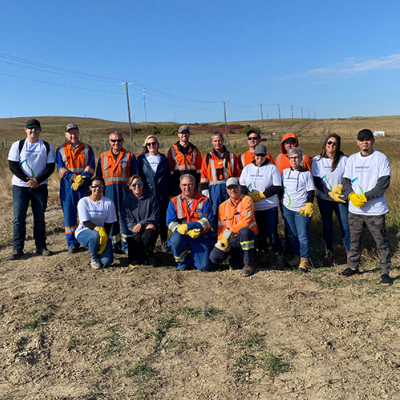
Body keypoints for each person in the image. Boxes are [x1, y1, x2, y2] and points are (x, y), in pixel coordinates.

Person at [341, 129, 393, 285]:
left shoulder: (380, 158)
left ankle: (385, 272)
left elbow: (383, 184)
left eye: (368, 139)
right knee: (355, 240)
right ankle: (354, 267)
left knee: (381, 242)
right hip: (355, 210)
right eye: (362, 140)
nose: (365, 142)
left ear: (373, 141)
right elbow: (345, 181)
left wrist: (365, 197)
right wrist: (350, 195)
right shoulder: (352, 160)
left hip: (375, 210)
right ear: (357, 142)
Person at [8, 118, 55, 259]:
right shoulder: (18, 145)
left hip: (40, 187)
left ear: (40, 130)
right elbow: (13, 165)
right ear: (25, 129)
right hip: (20, 187)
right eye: (30, 127)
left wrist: (37, 181)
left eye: (36, 128)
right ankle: (17, 249)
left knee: (39, 218)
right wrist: (27, 181)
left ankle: (41, 247)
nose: (33, 130)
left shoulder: (46, 146)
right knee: (19, 218)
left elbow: (50, 166)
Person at [239, 144, 284, 269]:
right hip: (254, 208)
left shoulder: (272, 168)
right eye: (258, 155)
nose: (260, 157)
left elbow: (277, 187)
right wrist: (248, 194)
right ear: (254, 155)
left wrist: (262, 195)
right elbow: (242, 185)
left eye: (262, 155)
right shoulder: (247, 168)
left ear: (266, 155)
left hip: (269, 206)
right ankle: (263, 255)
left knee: (272, 232)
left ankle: (278, 256)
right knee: (260, 233)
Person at [56, 123, 95, 253]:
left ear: (79, 133)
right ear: (66, 135)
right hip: (68, 186)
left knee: (87, 213)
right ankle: (72, 243)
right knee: (69, 213)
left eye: (75, 132)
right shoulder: (60, 149)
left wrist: (82, 177)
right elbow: (60, 167)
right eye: (70, 133)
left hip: (84, 185)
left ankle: (89, 240)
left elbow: (91, 165)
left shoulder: (87, 148)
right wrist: (72, 177)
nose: (73, 135)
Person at [96, 131, 137, 254]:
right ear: (109, 142)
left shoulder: (129, 155)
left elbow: (135, 176)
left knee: (126, 217)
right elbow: (98, 177)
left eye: (119, 140)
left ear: (123, 141)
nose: (116, 143)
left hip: (125, 192)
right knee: (111, 218)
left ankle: (127, 244)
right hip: (108, 192)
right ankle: (115, 244)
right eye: (113, 141)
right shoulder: (103, 156)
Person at [312, 134, 350, 266]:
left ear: (338, 145)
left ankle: (350, 254)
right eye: (329, 142)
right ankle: (329, 254)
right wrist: (328, 192)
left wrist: (341, 186)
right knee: (327, 226)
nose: (331, 145)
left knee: (345, 226)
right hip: (324, 199)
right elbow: (316, 180)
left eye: (334, 143)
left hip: (341, 199)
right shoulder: (318, 160)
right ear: (325, 144)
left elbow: (348, 177)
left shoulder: (344, 160)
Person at [209, 178, 258, 277]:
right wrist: (222, 240)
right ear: (226, 190)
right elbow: (221, 227)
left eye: (235, 187)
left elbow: (245, 222)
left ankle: (249, 263)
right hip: (231, 239)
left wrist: (229, 232)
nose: (233, 190)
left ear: (239, 187)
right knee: (214, 257)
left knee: (244, 232)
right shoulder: (222, 206)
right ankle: (235, 259)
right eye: (230, 188)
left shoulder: (247, 200)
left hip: (247, 236)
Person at [167, 174, 214, 271]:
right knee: (175, 241)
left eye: (190, 184)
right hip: (182, 234)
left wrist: (189, 226)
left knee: (204, 267)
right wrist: (182, 230)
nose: (187, 187)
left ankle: (197, 257)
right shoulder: (174, 201)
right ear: (180, 186)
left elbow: (207, 221)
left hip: (200, 236)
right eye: (184, 185)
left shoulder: (205, 200)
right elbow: (170, 222)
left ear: (195, 185)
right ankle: (184, 262)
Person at [199, 132, 241, 233]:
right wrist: (205, 191)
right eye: (215, 141)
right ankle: (215, 236)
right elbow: (203, 175)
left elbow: (238, 175)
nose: (218, 143)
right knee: (214, 213)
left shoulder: (231, 156)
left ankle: (231, 234)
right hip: (214, 190)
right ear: (212, 142)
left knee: (230, 212)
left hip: (229, 189)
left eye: (219, 140)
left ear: (223, 141)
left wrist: (238, 189)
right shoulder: (207, 157)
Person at [281, 147, 315, 272]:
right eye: (291, 158)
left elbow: (310, 190)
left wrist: (309, 204)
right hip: (288, 209)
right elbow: (282, 189)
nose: (294, 160)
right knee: (292, 235)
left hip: (301, 210)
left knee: (303, 235)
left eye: (296, 157)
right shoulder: (285, 172)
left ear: (301, 159)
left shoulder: (306, 174)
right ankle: (296, 257)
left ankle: (304, 260)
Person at [137, 135, 172, 252]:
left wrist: (169, 192)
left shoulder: (163, 159)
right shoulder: (141, 159)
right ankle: (148, 244)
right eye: (149, 144)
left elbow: (168, 178)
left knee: (162, 219)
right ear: (146, 146)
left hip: (162, 193)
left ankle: (163, 242)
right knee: (148, 218)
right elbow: (139, 177)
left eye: (154, 143)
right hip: (147, 193)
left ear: (158, 144)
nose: (151, 146)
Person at [75, 177, 117, 270]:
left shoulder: (109, 203)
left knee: (107, 262)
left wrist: (105, 237)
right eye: (95, 186)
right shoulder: (83, 202)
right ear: (90, 187)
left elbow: (109, 223)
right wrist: (99, 229)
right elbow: (85, 222)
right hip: (85, 231)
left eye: (100, 186)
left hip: (103, 233)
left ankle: (96, 248)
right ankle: (94, 258)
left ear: (103, 188)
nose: (97, 188)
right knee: (95, 236)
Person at [121, 175, 160, 268]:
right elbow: (127, 220)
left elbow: (155, 216)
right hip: (135, 232)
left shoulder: (151, 198)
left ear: (143, 185)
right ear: (130, 187)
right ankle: (143, 254)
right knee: (134, 261)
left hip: (149, 229)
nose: (137, 186)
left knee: (149, 234)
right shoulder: (126, 201)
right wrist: (139, 226)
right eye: (134, 184)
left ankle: (150, 255)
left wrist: (141, 224)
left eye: (139, 183)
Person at [167, 125, 202, 196]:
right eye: (182, 133)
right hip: (177, 186)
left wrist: (200, 186)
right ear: (178, 134)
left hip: (192, 185)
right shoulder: (173, 150)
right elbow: (170, 171)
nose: (184, 135)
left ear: (189, 134)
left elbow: (200, 170)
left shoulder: (195, 150)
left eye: (186, 133)